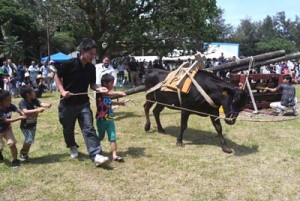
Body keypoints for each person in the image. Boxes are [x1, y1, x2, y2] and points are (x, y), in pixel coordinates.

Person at [54, 38, 109, 166]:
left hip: (83, 103)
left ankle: (96, 155)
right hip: (67, 104)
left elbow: (92, 85)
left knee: (89, 128)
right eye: (91, 54)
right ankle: (72, 146)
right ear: (83, 51)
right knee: (68, 129)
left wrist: (98, 88)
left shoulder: (91, 68)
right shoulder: (69, 63)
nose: (93, 57)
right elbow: (56, 76)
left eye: (94, 55)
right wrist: (62, 91)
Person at [96, 74, 126, 162]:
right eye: (111, 83)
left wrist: (120, 103)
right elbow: (107, 93)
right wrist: (118, 92)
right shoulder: (100, 91)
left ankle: (114, 155)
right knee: (100, 137)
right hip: (101, 119)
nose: (113, 85)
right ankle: (95, 151)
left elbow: (108, 102)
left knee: (112, 137)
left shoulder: (108, 94)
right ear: (105, 83)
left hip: (110, 118)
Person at [18, 85, 51, 162]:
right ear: (28, 94)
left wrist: (47, 105)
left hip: (33, 124)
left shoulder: (34, 100)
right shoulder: (22, 102)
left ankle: (25, 154)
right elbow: (25, 112)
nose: (35, 92)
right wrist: (38, 110)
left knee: (30, 140)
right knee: (29, 139)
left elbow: (41, 103)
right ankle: (23, 153)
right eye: (33, 91)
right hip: (25, 126)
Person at [0, 90, 26, 168]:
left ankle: (15, 160)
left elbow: (17, 110)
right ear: (1, 102)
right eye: (7, 100)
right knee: (0, 147)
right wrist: (19, 118)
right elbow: (6, 120)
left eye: (10, 99)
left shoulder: (10, 105)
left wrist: (22, 113)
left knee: (12, 143)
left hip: (7, 129)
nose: (10, 101)